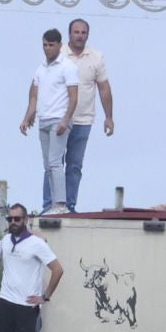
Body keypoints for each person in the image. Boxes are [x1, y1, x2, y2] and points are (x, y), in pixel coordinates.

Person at [19, 28, 78, 216]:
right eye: (45, 45)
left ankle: (61, 203)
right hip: (44, 120)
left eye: (51, 45)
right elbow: (34, 96)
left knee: (55, 162)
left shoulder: (67, 66)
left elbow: (73, 96)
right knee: (47, 165)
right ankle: (54, 203)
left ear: (60, 46)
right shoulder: (41, 68)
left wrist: (66, 119)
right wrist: (28, 116)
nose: (47, 49)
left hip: (59, 119)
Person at [62, 18, 114, 212]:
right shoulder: (58, 55)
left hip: (83, 119)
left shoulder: (96, 57)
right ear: (69, 34)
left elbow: (104, 88)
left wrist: (108, 117)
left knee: (74, 165)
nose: (80, 36)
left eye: (83, 33)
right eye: (76, 32)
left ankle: (69, 204)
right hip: (59, 119)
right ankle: (51, 204)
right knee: (55, 164)